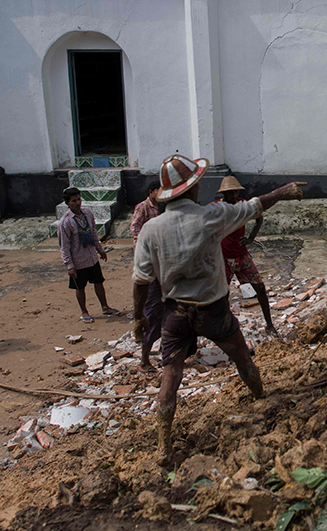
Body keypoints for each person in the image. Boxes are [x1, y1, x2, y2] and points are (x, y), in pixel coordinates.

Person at [131, 154, 305, 463]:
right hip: (213, 310)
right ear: (194, 189)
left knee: (170, 377)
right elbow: (255, 206)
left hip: (175, 313)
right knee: (241, 356)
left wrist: (137, 318)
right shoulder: (212, 216)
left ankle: (163, 446)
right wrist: (284, 191)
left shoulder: (151, 230)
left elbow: (141, 281)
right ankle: (261, 400)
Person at [217, 175, 278, 337]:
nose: (234, 195)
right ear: (224, 193)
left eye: (236, 192)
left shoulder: (243, 205)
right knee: (223, 294)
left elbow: (259, 219)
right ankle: (225, 327)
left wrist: (250, 238)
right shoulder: (218, 208)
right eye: (231, 193)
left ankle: (269, 324)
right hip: (224, 256)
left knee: (259, 287)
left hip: (241, 255)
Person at [58, 186, 119, 323]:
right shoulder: (65, 222)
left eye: (79, 199)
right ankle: (84, 311)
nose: (78, 203)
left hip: (91, 257)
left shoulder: (87, 214)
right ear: (67, 203)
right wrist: (69, 265)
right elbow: (64, 246)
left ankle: (105, 306)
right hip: (78, 261)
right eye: (74, 201)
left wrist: (100, 250)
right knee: (80, 287)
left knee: (99, 282)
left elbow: (93, 234)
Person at [130, 180, 163, 374]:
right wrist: (145, 248)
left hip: (162, 264)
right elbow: (135, 230)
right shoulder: (143, 208)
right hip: (150, 265)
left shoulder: (163, 208)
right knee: (152, 312)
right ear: (151, 191)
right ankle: (144, 360)